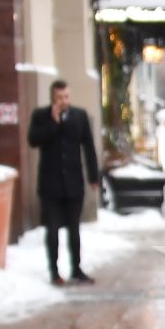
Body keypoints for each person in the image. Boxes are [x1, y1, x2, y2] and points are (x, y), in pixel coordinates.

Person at [27, 78, 100, 286]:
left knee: (74, 230)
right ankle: (54, 272)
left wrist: (93, 176)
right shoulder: (41, 116)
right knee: (53, 230)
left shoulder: (79, 116)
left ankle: (76, 269)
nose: (63, 101)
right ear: (53, 98)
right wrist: (53, 123)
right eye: (59, 98)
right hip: (50, 185)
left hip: (73, 184)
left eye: (66, 97)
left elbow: (88, 146)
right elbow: (33, 140)